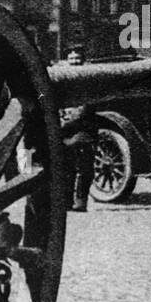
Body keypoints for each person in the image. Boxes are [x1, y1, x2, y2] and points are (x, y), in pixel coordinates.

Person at [59, 44, 97, 212]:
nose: (74, 62)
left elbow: (85, 108)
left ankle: (81, 201)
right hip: (65, 130)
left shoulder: (87, 79)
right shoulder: (63, 78)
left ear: (83, 61)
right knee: (67, 168)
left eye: (77, 59)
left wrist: (68, 121)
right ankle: (67, 201)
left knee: (85, 169)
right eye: (71, 59)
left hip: (83, 130)